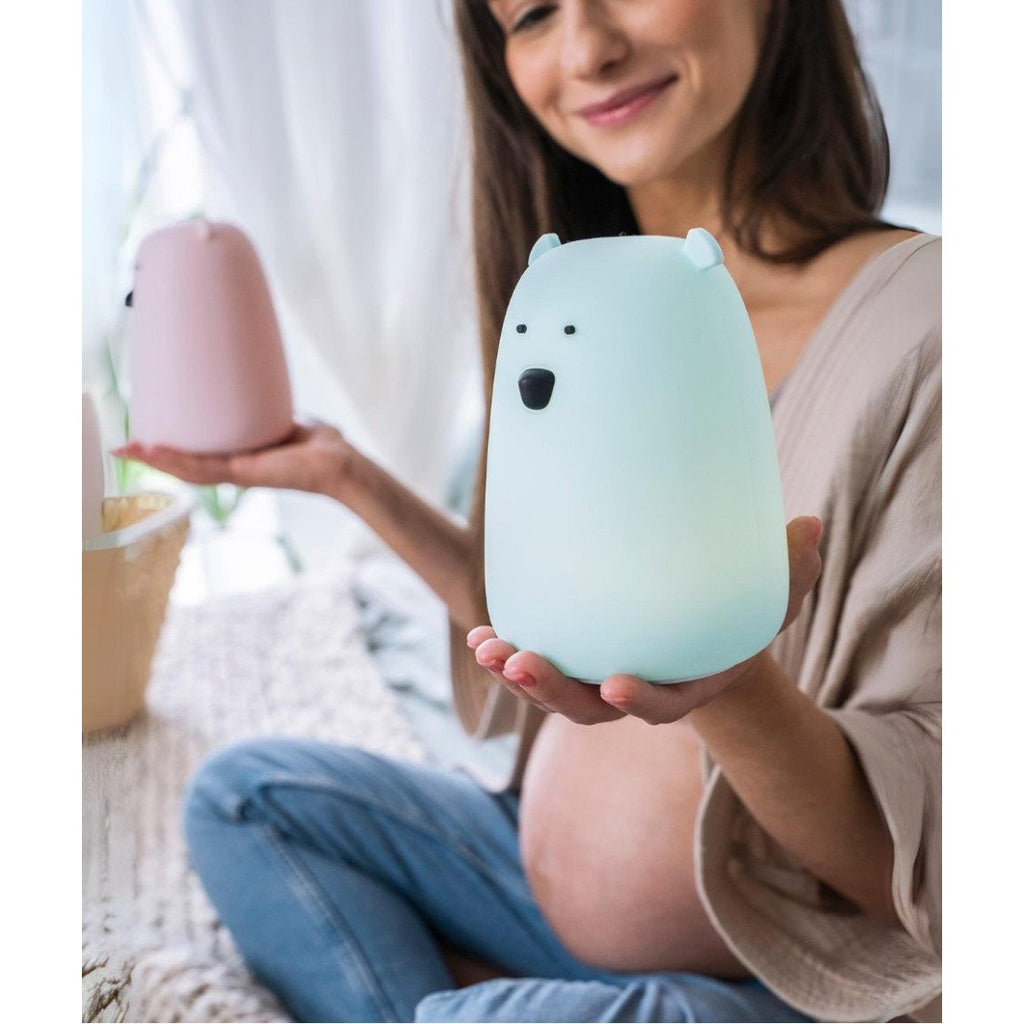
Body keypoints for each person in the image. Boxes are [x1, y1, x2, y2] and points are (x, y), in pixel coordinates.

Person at [114, 1, 941, 1021]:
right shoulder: (565, 311)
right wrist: (346, 477)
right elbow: (537, 629)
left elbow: (944, 868)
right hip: (533, 883)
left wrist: (733, 689)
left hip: (802, 967)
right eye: (531, 14)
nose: (587, 50)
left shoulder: (932, 328)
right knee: (244, 796)